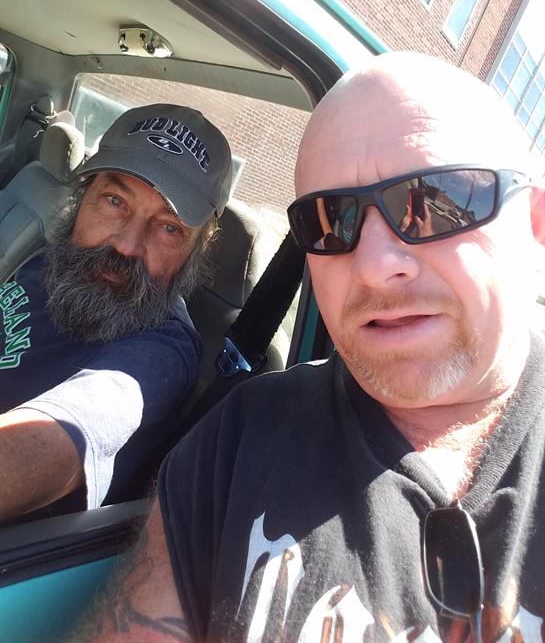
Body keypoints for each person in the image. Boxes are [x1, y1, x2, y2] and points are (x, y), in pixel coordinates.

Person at [76, 53, 545, 643]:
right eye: (329, 220)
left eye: (433, 202)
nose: (373, 266)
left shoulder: (162, 356)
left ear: (534, 224)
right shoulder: (239, 437)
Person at [0, 103, 233, 522]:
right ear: (83, 195)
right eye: (114, 201)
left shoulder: (161, 354)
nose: (126, 244)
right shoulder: (54, 260)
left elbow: (68, 432)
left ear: (199, 248)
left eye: (169, 228)